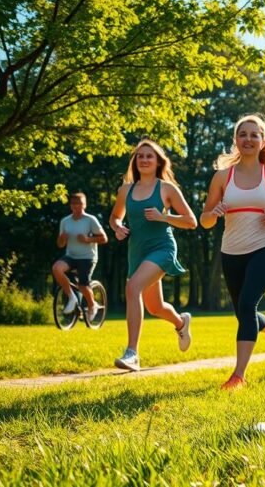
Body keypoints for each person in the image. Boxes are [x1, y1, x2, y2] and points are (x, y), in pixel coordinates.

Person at [200, 115, 265, 390]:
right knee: (244, 313)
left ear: (262, 141)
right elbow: (205, 220)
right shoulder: (223, 177)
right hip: (231, 251)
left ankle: (238, 376)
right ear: (236, 140)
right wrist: (214, 212)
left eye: (254, 135)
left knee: (247, 306)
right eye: (242, 134)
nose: (248, 139)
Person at [109, 139, 198, 371]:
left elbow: (191, 221)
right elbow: (115, 217)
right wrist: (118, 228)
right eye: (140, 156)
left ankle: (132, 353)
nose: (145, 160)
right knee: (155, 307)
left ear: (158, 161)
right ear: (135, 162)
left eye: (149, 156)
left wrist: (163, 217)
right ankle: (181, 322)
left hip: (162, 248)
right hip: (137, 251)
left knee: (132, 288)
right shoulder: (125, 190)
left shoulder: (167, 189)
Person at [53, 193, 108, 321]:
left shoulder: (90, 220)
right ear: (70, 205)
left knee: (83, 285)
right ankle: (72, 297)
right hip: (71, 256)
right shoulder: (65, 221)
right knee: (56, 268)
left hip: (87, 257)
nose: (76, 206)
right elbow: (60, 245)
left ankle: (92, 305)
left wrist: (88, 239)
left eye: (79, 203)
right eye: (73, 204)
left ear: (84, 205)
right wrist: (62, 238)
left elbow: (104, 238)